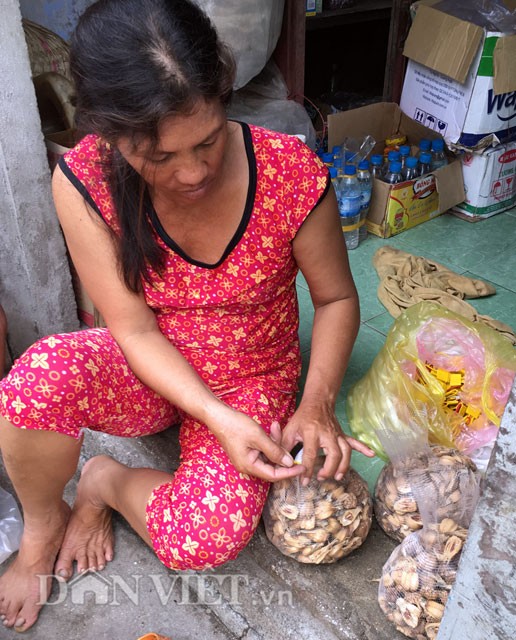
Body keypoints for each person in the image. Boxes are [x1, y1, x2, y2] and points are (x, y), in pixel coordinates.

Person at [0, 0, 373, 632]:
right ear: (109, 134)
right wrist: (212, 416)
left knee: (200, 539)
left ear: (224, 94)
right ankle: (44, 526)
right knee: (36, 381)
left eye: (207, 139)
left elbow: (336, 299)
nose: (194, 170)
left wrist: (315, 405)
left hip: (251, 377)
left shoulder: (289, 172)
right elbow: (134, 329)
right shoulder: (85, 180)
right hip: (147, 364)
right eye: (159, 156)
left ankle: (107, 482)